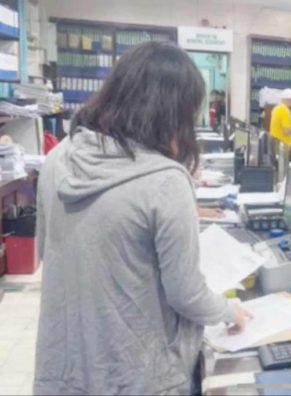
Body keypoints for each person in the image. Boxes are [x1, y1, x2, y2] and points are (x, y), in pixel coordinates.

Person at [33, 42, 252, 395]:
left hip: (66, 367)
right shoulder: (166, 180)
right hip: (137, 375)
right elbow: (186, 293)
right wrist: (230, 311)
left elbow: (48, 251)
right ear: (174, 112)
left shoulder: (58, 158)